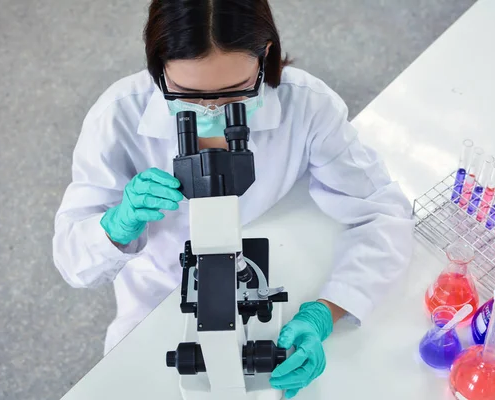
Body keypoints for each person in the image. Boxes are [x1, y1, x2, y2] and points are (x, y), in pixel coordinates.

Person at [52, 0, 414, 397]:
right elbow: (74, 264)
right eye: (187, 95)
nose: (211, 111)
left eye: (233, 94)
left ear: (266, 57)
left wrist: (325, 312)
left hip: (263, 276)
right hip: (158, 299)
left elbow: (384, 213)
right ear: (159, 66)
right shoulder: (117, 117)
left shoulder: (307, 105)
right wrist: (116, 225)